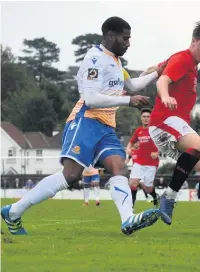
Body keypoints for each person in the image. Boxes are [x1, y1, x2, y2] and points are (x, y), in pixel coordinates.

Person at [1, 16, 170, 235]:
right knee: (71, 175)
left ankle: (128, 219)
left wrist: (159, 72)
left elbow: (133, 84)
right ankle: (13, 211)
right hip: (85, 121)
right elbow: (90, 99)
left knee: (119, 167)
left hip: (106, 127)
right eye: (125, 38)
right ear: (110, 35)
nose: (129, 43)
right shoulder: (94, 59)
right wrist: (128, 100)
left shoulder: (116, 63)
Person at [146, 21, 200, 234]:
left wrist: (145, 75)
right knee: (199, 145)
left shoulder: (186, 62)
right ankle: (168, 197)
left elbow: (156, 69)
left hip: (175, 125)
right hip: (164, 122)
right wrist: (165, 95)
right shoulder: (183, 59)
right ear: (194, 41)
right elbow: (163, 80)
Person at [126, 109, 160, 209]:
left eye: (148, 117)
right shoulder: (138, 131)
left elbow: (164, 145)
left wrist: (157, 152)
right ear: (141, 118)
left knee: (148, 187)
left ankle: (155, 197)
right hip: (139, 162)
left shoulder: (155, 131)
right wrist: (128, 148)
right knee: (133, 182)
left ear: (151, 118)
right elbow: (131, 142)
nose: (146, 119)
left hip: (151, 163)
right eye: (144, 117)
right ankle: (131, 206)